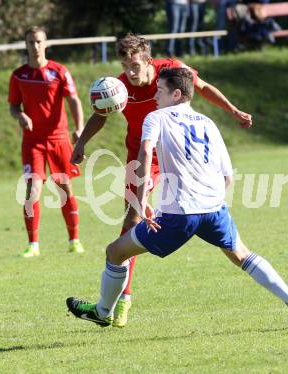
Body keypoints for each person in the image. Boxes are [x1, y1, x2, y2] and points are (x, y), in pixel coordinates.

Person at [66, 67, 288, 329]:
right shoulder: (208, 123)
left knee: (115, 252)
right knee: (242, 255)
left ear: (176, 94)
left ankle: (103, 311)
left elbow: (145, 154)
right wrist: (212, 203)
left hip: (178, 216)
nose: (155, 97)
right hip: (214, 209)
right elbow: (227, 176)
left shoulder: (156, 118)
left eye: (159, 91)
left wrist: (139, 202)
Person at [71, 33, 252, 328]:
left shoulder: (171, 72)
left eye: (135, 65)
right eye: (125, 65)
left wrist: (233, 111)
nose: (130, 72)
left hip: (175, 154)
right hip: (140, 159)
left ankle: (233, 248)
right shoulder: (119, 87)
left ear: (148, 60)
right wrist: (81, 145)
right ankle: (124, 299)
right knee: (130, 222)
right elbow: (101, 115)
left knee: (188, 212)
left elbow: (203, 87)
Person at [8, 26, 85, 258]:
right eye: (30, 42)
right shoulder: (18, 75)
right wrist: (20, 115)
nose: (35, 46)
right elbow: (13, 105)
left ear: (46, 43)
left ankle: (74, 239)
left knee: (64, 188)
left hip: (59, 139)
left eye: (39, 42)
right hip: (33, 142)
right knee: (33, 190)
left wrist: (79, 128)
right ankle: (33, 245)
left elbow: (73, 99)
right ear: (26, 45)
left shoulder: (59, 71)